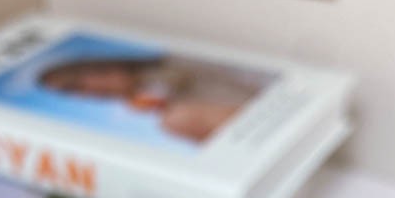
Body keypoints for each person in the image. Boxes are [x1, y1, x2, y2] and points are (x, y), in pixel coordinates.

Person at [39, 54, 276, 142]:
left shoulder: (177, 65)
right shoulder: (161, 109)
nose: (84, 95)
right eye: (73, 94)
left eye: (75, 85)